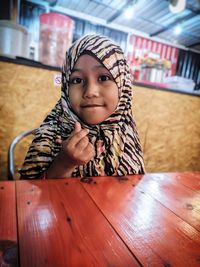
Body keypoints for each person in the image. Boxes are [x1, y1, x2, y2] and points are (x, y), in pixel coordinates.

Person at [20, 35, 145, 179]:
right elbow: (30, 195)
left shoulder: (127, 132)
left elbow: (134, 188)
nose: (90, 92)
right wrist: (64, 163)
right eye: (77, 80)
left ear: (123, 85)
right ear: (66, 86)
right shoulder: (49, 135)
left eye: (103, 78)